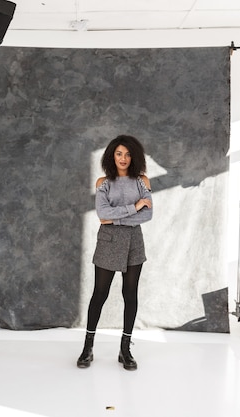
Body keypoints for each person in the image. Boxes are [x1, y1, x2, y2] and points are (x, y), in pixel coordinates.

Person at [77, 135, 153, 371]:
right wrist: (135, 206)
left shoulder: (142, 180)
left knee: (130, 294)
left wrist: (117, 217)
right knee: (99, 294)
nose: (123, 158)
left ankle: (125, 349)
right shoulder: (104, 182)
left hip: (134, 242)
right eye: (119, 153)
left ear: (134, 157)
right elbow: (102, 214)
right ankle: (87, 347)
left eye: (128, 154)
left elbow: (148, 215)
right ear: (112, 155)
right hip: (108, 241)